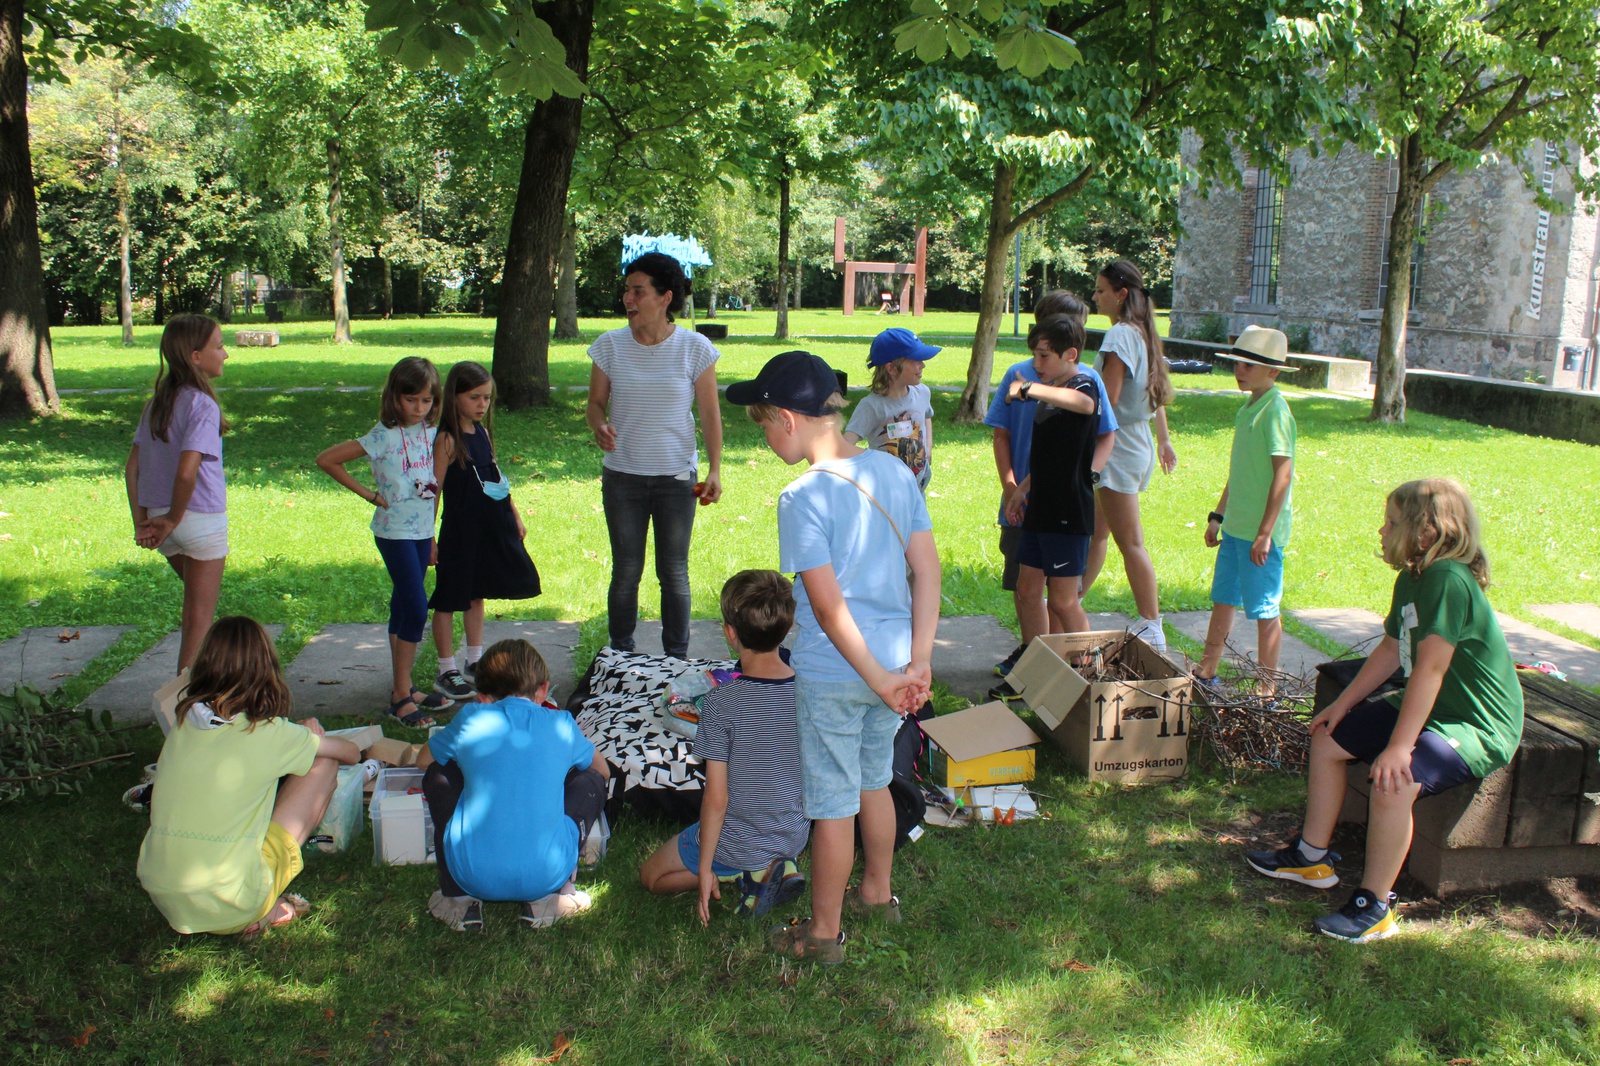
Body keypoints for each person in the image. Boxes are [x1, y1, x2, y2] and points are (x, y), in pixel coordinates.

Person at [725, 350, 941, 965]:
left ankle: (823, 934)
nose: (765, 439)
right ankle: (878, 893)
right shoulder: (894, 471)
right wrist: (917, 663)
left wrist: (877, 677)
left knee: (833, 807)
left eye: (763, 425)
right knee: (875, 780)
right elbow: (927, 572)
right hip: (896, 666)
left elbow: (825, 607)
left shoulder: (801, 497)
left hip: (837, 676)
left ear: (788, 420)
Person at [1247, 480, 1524, 942]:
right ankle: (1310, 858)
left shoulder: (1447, 580)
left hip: (1476, 721)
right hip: (1432, 706)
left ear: (1427, 531)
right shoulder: (1413, 577)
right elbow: (1392, 650)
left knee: (1395, 779)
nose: (1382, 531)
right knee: (1327, 738)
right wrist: (1342, 704)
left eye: (1392, 523)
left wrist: (1399, 747)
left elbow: (1431, 670)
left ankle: (1374, 906)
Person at [137, 616, 360, 935]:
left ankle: (249, 905)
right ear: (266, 670)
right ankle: (261, 912)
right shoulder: (268, 733)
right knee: (323, 763)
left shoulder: (185, 721)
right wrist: (311, 735)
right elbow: (350, 752)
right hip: (232, 900)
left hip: (165, 892)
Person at [638, 570, 809, 923]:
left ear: (730, 633)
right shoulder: (810, 691)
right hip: (793, 834)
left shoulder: (720, 703)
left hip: (736, 843)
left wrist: (704, 869)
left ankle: (745, 874)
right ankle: (778, 864)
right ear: (788, 626)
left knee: (651, 877)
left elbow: (716, 799)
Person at [586, 252, 724, 659]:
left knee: (674, 573)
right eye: (627, 291)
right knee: (626, 571)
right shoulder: (609, 346)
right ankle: (621, 656)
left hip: (676, 480)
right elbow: (595, 404)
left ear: (665, 297)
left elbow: (710, 415)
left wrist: (715, 469)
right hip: (622, 478)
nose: (628, 299)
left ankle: (676, 659)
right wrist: (598, 424)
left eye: (638, 291)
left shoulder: (695, 348)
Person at [418, 639, 609, 931]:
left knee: (438, 773)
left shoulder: (470, 717)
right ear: (543, 690)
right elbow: (602, 771)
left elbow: (424, 760)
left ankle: (457, 900)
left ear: (482, 697)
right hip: (548, 873)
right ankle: (557, 894)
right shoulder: (562, 724)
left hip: (469, 874)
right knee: (590, 781)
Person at [985, 292, 1116, 684]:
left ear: (1070, 354)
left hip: (1067, 513)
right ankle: (1039, 673)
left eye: (1044, 356)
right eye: (1035, 356)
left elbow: (1084, 405)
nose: (1037, 364)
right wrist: (1021, 490)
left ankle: (1093, 677)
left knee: (1062, 600)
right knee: (1027, 588)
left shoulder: (1084, 384)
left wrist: (1030, 389)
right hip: (1039, 508)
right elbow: (1047, 459)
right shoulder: (1051, 390)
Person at [314, 356, 452, 726]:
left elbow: (433, 486)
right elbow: (327, 460)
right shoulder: (382, 435)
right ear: (394, 397)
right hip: (394, 532)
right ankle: (400, 697)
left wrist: (432, 534)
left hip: (421, 532)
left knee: (402, 606)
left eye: (426, 400)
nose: (419, 408)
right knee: (416, 608)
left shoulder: (430, 431)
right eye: (411, 400)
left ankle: (404, 687)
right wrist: (369, 495)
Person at [124, 314, 232, 671]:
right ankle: (184, 700)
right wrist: (172, 519)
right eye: (219, 346)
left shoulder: (157, 403)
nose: (226, 354)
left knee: (195, 613)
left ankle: (210, 688)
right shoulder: (203, 405)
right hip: (197, 521)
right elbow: (188, 471)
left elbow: (132, 467)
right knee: (198, 621)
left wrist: (144, 521)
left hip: (160, 520)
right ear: (195, 356)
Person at [428, 362, 542, 699]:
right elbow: (434, 491)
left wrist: (514, 515)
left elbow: (496, 476)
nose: (482, 404)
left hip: (487, 528)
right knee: (449, 598)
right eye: (474, 397)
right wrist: (428, 537)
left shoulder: (482, 434)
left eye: (487, 398)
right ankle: (446, 668)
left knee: (476, 594)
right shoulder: (447, 440)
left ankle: (474, 661)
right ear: (454, 397)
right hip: (458, 532)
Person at [1084, 260, 1177, 653]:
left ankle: (1152, 624)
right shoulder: (1142, 332)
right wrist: (1163, 440)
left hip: (1117, 448)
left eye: (1101, 290)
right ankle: (1070, 598)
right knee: (1098, 533)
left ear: (1121, 294)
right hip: (1133, 443)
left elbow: (1106, 400)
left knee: (1130, 542)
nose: (1095, 296)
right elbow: (1155, 396)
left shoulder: (1121, 335)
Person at [1197, 326, 1297, 689]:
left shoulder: (1276, 411)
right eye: (1237, 363)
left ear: (1273, 371)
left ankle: (1267, 686)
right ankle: (1208, 668)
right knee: (1223, 599)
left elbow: (1283, 474)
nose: (1239, 370)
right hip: (1235, 528)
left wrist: (1265, 533)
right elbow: (1239, 473)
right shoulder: (1248, 408)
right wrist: (1218, 516)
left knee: (1264, 609)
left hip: (1260, 536)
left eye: (1249, 365)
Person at [844, 327, 940, 494]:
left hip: (917, 491)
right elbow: (845, 445)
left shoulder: (922, 392)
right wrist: (870, 464)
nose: (923, 365)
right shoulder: (872, 406)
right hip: (886, 494)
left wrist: (928, 448)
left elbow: (926, 416)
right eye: (916, 360)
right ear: (892, 368)